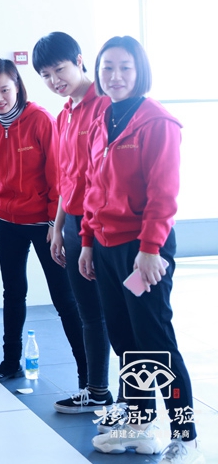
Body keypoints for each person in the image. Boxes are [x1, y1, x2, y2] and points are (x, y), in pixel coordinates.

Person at [79, 36, 202, 463]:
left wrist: (150, 250)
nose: (115, 76)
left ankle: (185, 436)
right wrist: (87, 241)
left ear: (140, 71)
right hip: (106, 246)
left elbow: (163, 195)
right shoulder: (103, 117)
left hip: (143, 249)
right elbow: (92, 187)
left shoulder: (157, 122)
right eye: (107, 67)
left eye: (125, 67)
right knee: (125, 340)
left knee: (157, 343)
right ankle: (139, 422)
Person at [0, 58, 87, 386]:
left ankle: (87, 374)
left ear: (18, 87)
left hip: (44, 224)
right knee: (13, 294)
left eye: (5, 90)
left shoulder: (40, 119)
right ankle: (11, 362)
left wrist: (54, 224)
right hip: (7, 222)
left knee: (64, 298)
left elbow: (57, 177)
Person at [32, 32, 114, 413]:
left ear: (79, 60)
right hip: (72, 222)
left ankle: (134, 401)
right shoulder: (64, 114)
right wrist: (57, 227)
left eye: (59, 70)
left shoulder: (105, 105)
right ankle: (96, 390)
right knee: (88, 313)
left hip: (101, 224)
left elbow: (100, 178)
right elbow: (67, 178)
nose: (54, 81)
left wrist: (87, 237)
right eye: (46, 75)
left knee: (118, 316)